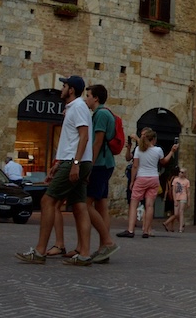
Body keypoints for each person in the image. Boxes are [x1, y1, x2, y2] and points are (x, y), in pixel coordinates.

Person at [17, 75, 96, 265]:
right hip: (73, 161)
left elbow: (84, 137)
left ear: (71, 90)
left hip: (74, 162)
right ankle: (84, 254)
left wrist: (75, 163)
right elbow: (72, 141)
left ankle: (39, 251)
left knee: (47, 201)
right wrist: (58, 164)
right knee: (79, 205)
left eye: (64, 85)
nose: (61, 88)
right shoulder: (74, 108)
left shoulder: (77, 107)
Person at [117, 128, 177, 239]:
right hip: (154, 178)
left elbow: (135, 166)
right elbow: (164, 162)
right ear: (153, 139)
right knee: (149, 205)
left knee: (134, 204)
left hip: (141, 178)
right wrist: (172, 151)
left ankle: (130, 230)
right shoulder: (158, 150)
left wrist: (132, 181)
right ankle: (146, 230)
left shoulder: (139, 150)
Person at [84, 84, 119, 262]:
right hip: (105, 163)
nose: (86, 99)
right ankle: (103, 248)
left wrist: (89, 165)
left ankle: (107, 242)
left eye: (88, 95)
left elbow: (97, 142)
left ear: (96, 98)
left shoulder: (100, 114)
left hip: (100, 164)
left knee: (85, 204)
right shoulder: (104, 114)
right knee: (101, 205)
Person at [163, 168, 191, 233]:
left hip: (183, 197)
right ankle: (168, 222)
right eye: (180, 172)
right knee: (176, 214)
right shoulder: (175, 180)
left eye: (182, 172)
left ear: (184, 174)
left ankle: (180, 228)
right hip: (177, 197)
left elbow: (188, 192)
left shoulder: (187, 181)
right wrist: (174, 199)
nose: (180, 173)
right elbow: (173, 190)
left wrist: (189, 201)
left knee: (181, 212)